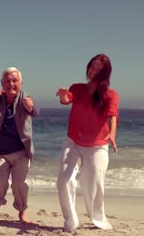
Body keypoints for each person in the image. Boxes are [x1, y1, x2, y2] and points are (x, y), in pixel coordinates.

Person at [56, 54, 119, 232]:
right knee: (63, 180)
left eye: (99, 69)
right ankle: (71, 220)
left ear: (105, 73)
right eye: (92, 66)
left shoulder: (110, 95)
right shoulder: (77, 88)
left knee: (94, 185)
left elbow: (112, 116)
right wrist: (62, 95)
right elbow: (67, 99)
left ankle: (98, 219)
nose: (93, 71)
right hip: (73, 141)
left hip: (97, 144)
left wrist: (112, 134)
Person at [0, 67, 38, 223]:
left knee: (19, 184)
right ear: (1, 83)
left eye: (14, 80)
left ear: (21, 82)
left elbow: (35, 112)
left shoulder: (25, 98)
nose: (11, 84)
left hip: (21, 152)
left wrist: (30, 108)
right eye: (7, 81)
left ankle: (22, 213)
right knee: (0, 182)